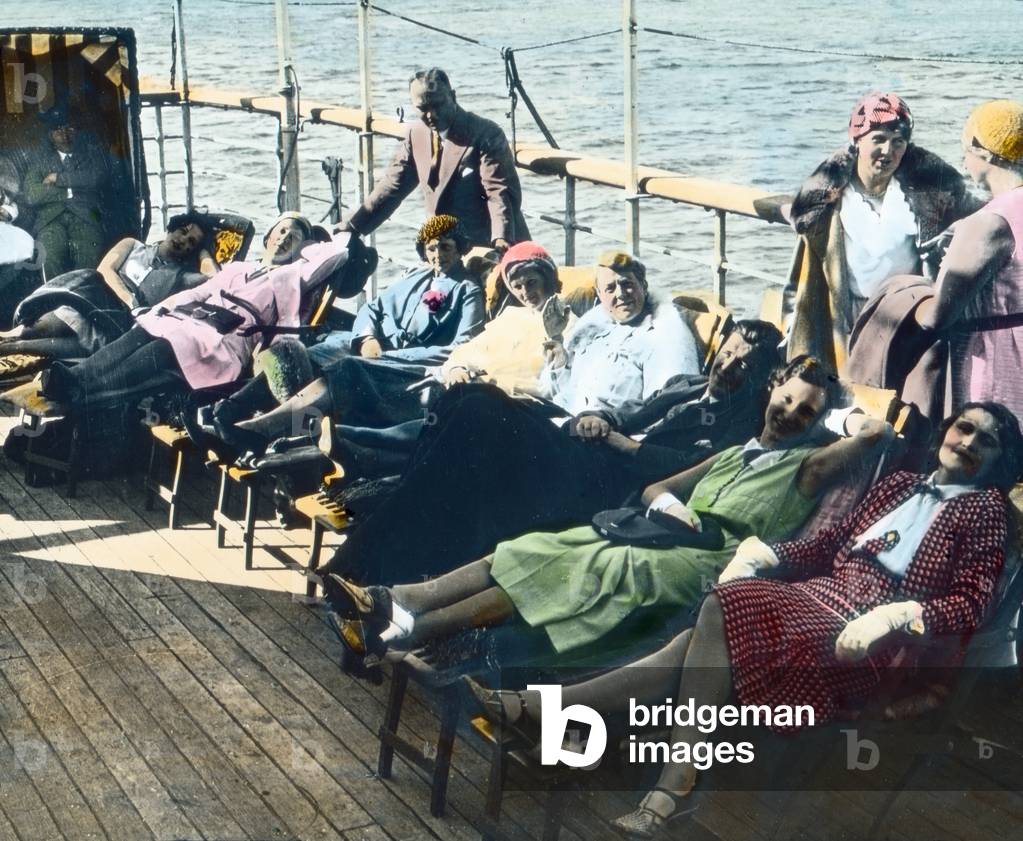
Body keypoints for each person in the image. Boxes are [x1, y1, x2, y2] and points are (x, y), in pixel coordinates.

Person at [465, 401, 1021, 837]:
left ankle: (591, 735)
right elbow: (833, 542)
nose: (968, 443)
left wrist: (899, 614)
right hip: (819, 600)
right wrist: (770, 553)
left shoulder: (986, 512)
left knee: (717, 613)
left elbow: (971, 603)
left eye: (985, 441)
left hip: (873, 641)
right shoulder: (899, 485)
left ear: (1001, 460)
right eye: (963, 429)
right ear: (947, 431)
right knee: (704, 631)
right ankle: (657, 778)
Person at [325, 356, 895, 677]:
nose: (791, 413)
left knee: (580, 565)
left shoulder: (806, 467)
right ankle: (399, 599)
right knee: (534, 548)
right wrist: (671, 507)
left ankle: (407, 622)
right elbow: (654, 488)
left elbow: (879, 432)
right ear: (772, 390)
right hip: (664, 535)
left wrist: (840, 421)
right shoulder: (732, 452)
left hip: (711, 564)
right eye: (787, 398)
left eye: (807, 410)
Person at [317, 319, 781, 587]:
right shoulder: (688, 385)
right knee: (460, 398)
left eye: (743, 364)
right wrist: (597, 418)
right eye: (728, 352)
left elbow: (694, 471)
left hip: (606, 484)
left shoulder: (742, 426)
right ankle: (385, 511)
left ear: (760, 378)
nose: (727, 365)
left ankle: (379, 501)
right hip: (583, 447)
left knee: (480, 410)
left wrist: (625, 445)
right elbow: (628, 410)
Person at [209, 241, 573, 457]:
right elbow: (465, 353)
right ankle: (257, 425)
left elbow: (551, 383)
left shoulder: (567, 326)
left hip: (476, 398)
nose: (527, 291)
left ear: (550, 278)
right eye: (518, 284)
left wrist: (476, 374)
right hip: (447, 381)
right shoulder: (509, 317)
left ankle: (264, 430)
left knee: (345, 374)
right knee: (318, 364)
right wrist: (457, 369)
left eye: (533, 281)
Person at [2, 214, 355, 414]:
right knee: (147, 328)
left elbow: (335, 256)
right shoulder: (237, 269)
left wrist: (336, 234)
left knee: (165, 345)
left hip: (226, 340)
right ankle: (74, 378)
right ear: (268, 237)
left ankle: (76, 386)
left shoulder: (291, 276)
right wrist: (161, 308)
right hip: (195, 319)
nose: (284, 240)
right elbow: (199, 291)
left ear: (303, 249)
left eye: (294, 238)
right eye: (281, 232)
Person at [787, 92, 978, 373]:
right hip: (852, 312)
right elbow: (800, 214)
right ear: (857, 140)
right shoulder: (835, 193)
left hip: (910, 313)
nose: (888, 151)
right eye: (878, 139)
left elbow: (973, 213)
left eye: (898, 142)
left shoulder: (921, 191)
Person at [915, 100, 1023, 422]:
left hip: (998, 357)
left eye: (966, 151)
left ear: (985, 154)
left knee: (992, 446)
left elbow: (937, 317)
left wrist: (902, 296)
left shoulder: (988, 222)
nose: (963, 161)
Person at [343, 68, 528, 250]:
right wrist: (353, 226)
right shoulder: (416, 135)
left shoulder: (486, 133)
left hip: (491, 244)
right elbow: (393, 186)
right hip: (445, 249)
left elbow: (498, 192)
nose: (432, 115)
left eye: (438, 105)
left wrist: (501, 238)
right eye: (423, 109)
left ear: (453, 97)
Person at [0, 213, 215, 364]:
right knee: (82, 288)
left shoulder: (182, 277)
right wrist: (131, 300)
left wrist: (204, 252)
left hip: (114, 324)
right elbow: (105, 270)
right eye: (183, 231)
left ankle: (10, 346)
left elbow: (215, 279)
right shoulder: (132, 245)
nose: (183, 240)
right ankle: (13, 337)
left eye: (191, 242)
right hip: (92, 298)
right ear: (171, 227)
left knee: (34, 342)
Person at [306, 214, 484, 370]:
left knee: (346, 368)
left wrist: (396, 357)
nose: (437, 255)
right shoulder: (417, 275)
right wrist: (367, 338)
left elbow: (464, 345)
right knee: (312, 354)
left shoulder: (467, 290)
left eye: (445, 247)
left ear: (460, 249)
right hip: (375, 344)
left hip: (407, 359)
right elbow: (372, 308)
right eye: (431, 248)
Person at [22, 109, 110, 279]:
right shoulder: (40, 162)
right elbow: (31, 195)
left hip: (86, 217)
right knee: (48, 256)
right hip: (51, 220)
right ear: (50, 136)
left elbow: (97, 178)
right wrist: (71, 190)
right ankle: (54, 300)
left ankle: (83, 301)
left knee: (89, 256)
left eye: (69, 129)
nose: (64, 135)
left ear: (77, 132)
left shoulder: (91, 155)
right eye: (58, 131)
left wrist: (58, 178)